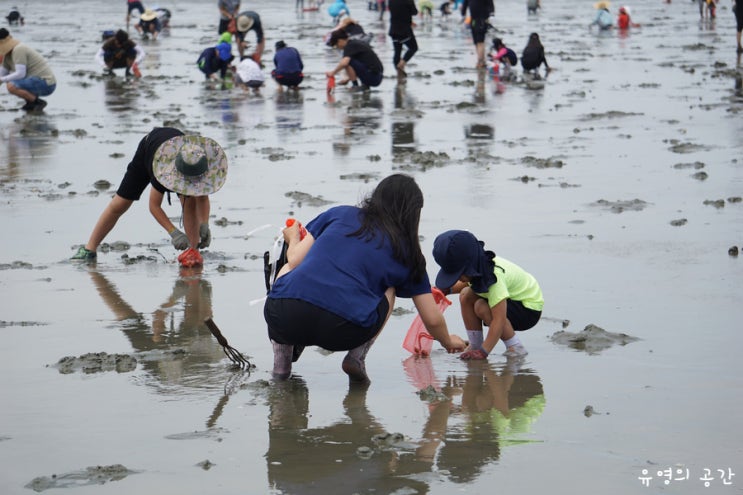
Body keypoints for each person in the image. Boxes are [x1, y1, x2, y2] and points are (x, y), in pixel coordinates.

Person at [264, 174, 467, 382]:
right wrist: (447, 341)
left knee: (289, 270)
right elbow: (431, 318)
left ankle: (281, 366)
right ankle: (356, 357)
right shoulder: (408, 253)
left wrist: (293, 237)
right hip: (343, 330)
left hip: (283, 315)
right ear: (412, 215)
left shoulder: (339, 214)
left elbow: (295, 259)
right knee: (389, 289)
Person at [71, 128, 228, 261]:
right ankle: (89, 249)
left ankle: (193, 252)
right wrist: (173, 232)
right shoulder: (164, 172)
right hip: (148, 150)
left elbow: (202, 198)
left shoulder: (197, 162)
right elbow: (154, 206)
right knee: (120, 203)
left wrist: (205, 224)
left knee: (190, 202)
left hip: (181, 150)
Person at [432, 230, 544, 359]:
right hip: (510, 299)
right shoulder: (478, 267)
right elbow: (468, 284)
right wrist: (445, 290)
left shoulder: (494, 277)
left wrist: (484, 352)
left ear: (470, 267)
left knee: (481, 306)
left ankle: (515, 346)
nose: (459, 278)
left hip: (528, 308)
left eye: (459, 274)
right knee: (465, 294)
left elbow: (499, 319)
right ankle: (475, 344)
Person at [0, 28, 56, 112]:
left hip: (46, 83)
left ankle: (37, 103)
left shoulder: (18, 49)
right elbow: (2, 74)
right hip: (33, 81)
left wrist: (2, 79)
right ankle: (31, 103)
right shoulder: (7, 55)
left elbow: (20, 73)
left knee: (11, 85)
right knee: (10, 81)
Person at [388, 0, 419, 79]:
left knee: (397, 51)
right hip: (404, 30)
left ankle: (399, 74)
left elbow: (396, 11)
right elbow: (414, 12)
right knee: (413, 48)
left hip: (393, 29)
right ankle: (401, 64)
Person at [460, 0, 495, 68]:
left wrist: (491, 14)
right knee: (476, 41)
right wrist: (463, 14)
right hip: (473, 20)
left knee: (480, 41)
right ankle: (482, 60)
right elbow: (465, 4)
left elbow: (490, 4)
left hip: (483, 19)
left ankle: (480, 61)